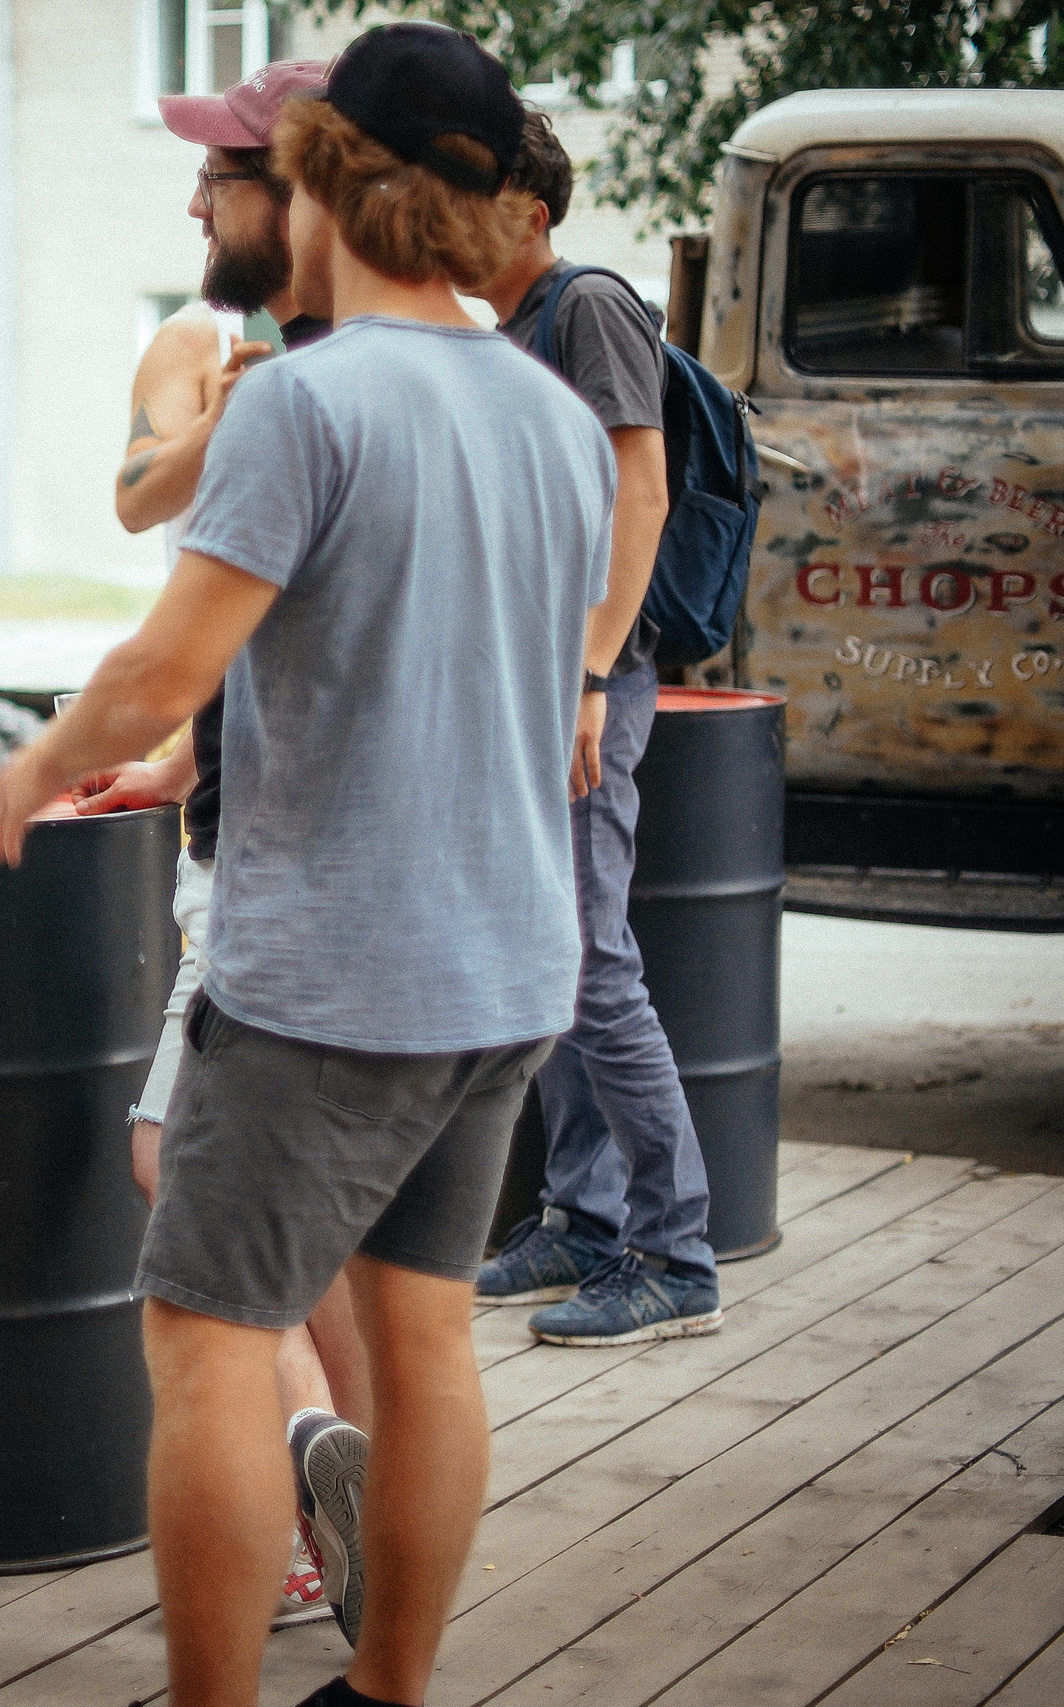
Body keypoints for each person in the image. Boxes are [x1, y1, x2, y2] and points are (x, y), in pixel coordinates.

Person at [0, 25, 613, 1707]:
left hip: (331, 976)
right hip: (501, 973)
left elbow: (165, 664)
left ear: (332, 175)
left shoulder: (311, 401)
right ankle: (388, 1689)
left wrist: (39, 765)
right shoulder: (551, 417)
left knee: (201, 1340)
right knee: (421, 1343)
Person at [82, 56, 362, 1637]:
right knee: (285, 1198)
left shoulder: (371, 364)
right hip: (226, 791)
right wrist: (233, 421)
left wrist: (75, 751)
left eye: (221, 173)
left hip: (272, 837)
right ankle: (337, 1458)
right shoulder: (201, 342)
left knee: (172, 1160)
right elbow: (134, 502)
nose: (192, 197)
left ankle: (311, 1468)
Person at [473, 112, 721, 1349]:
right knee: (556, 961)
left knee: (590, 961)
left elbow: (643, 486)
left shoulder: (586, 307)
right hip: (538, 682)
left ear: (529, 207)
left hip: (588, 684)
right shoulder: (511, 326)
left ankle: (675, 1253)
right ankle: (577, 1214)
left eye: (470, 194)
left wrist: (586, 671)